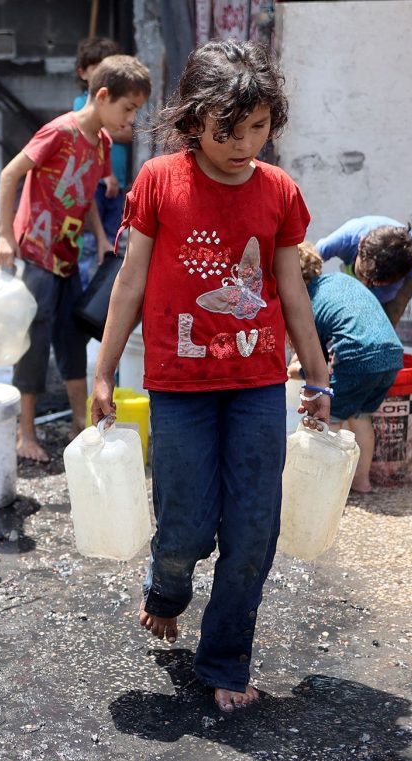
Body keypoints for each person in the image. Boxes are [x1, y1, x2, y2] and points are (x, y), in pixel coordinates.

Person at [90, 40, 331, 713]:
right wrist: (106, 372)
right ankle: (166, 590)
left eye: (258, 128)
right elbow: (130, 280)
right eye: (229, 128)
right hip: (178, 386)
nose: (244, 142)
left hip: (255, 385)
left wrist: (318, 377)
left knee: (254, 528)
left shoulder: (278, 191)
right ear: (195, 120)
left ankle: (225, 660)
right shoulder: (160, 181)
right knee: (188, 526)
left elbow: (290, 289)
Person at [0, 53, 152, 462]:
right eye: (128, 108)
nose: (131, 119)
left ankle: (82, 426)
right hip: (36, 253)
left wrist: (101, 238)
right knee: (35, 339)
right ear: (102, 96)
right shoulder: (58, 133)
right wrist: (4, 236)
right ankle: (24, 434)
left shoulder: (99, 143)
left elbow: (86, 199)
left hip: (68, 256)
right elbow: (9, 174)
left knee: (73, 338)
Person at [289, 242, 402, 493]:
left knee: (331, 419)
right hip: (392, 353)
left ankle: (326, 489)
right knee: (361, 417)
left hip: (356, 357)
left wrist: (300, 372)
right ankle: (362, 482)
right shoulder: (341, 281)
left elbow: (313, 355)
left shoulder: (308, 300)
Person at [72, 36, 132, 289]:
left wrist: (109, 127)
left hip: (115, 187)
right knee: (88, 245)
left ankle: (103, 297)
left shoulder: (116, 107)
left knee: (112, 243)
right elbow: (97, 135)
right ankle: (86, 294)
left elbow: (128, 134)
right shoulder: (82, 105)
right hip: (96, 184)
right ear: (83, 73)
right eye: (95, 68)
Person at [314, 216, 412, 326]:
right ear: (360, 245)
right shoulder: (346, 238)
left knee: (383, 325)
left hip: (404, 269)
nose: (364, 285)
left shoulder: (408, 269)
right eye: (362, 274)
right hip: (355, 252)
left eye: (372, 283)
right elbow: (307, 262)